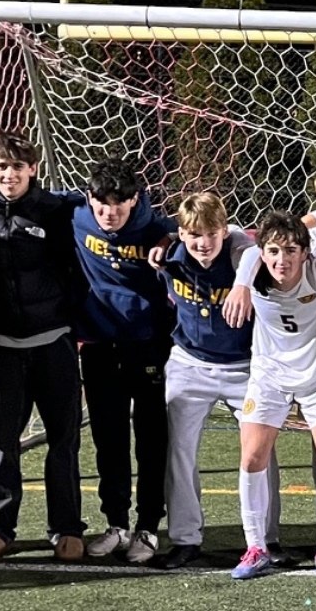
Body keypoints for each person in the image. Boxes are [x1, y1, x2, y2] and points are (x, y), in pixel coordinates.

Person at [0, 131, 90, 561]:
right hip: (2, 346)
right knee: (2, 442)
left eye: (18, 166)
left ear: (33, 169)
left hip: (55, 343)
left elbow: (111, 208)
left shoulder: (59, 209)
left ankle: (66, 526)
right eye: (1, 166)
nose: (10, 174)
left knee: (64, 439)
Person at [227, 213, 316, 584]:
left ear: (305, 252)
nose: (282, 260)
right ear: (263, 253)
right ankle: (256, 547)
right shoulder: (251, 271)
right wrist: (240, 284)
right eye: (274, 251)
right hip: (269, 379)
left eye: (291, 250)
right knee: (251, 457)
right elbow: (234, 236)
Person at [154, 192, 273, 571]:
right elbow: (150, 228)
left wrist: (241, 284)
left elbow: (253, 246)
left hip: (245, 366)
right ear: (181, 234)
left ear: (224, 230)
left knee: (260, 452)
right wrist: (166, 240)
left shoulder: (243, 254)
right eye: (193, 235)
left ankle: (267, 538)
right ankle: (186, 539)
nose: (203, 243)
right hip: (189, 363)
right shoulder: (170, 257)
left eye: (211, 233)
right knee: (178, 451)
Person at [71, 158, 180, 564]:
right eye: (101, 205)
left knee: (152, 440)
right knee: (107, 438)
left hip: (149, 345)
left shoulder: (158, 230)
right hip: (99, 343)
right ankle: (116, 523)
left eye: (119, 204)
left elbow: (196, 232)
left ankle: (149, 526)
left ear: (135, 199)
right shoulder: (77, 216)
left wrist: (171, 239)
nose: (109, 213)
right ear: (89, 200)